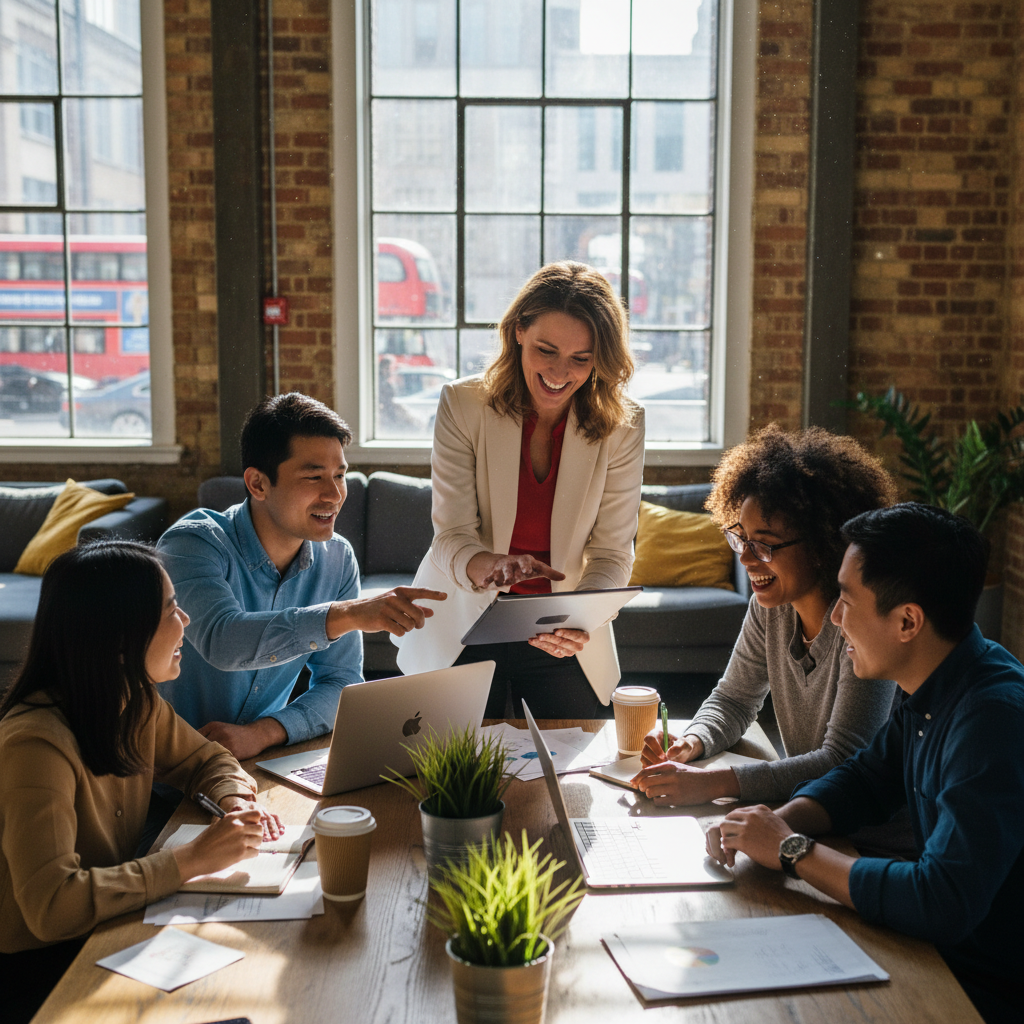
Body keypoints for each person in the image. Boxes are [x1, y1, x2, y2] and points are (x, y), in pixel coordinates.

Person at [706, 504, 1024, 1024]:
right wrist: (779, 821)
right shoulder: (932, 682)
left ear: (907, 621)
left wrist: (790, 849)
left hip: (979, 990)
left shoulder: (990, 719)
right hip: (932, 956)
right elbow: (865, 780)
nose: (834, 618)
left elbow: (940, 899)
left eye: (847, 601)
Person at [0, 542, 279, 1024]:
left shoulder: (134, 700)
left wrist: (232, 799)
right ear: (121, 637)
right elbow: (51, 907)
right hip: (37, 971)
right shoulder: (35, 746)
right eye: (171, 608)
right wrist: (191, 859)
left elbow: (206, 759)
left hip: (111, 924)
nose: (186, 620)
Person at [395, 261, 645, 717]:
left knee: (573, 780)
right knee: (455, 779)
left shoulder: (623, 427)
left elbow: (612, 553)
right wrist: (484, 563)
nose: (559, 372)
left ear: (600, 360)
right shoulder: (462, 404)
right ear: (517, 333)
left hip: (560, 630)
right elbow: (450, 535)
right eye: (545, 350)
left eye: (580, 359)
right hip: (465, 622)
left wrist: (580, 618)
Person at [157, 392, 445, 761]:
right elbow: (223, 641)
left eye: (339, 475)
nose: (335, 494)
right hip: (169, 773)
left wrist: (263, 733)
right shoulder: (192, 543)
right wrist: (345, 615)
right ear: (258, 484)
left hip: (260, 763)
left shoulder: (338, 558)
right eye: (314, 477)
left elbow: (340, 681)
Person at [633, 424, 898, 805]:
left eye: (765, 545)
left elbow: (843, 761)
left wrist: (713, 783)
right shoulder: (770, 608)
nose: (744, 558)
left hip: (870, 840)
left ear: (824, 544)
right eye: (741, 537)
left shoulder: (862, 623)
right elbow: (734, 700)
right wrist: (693, 742)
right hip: (811, 811)